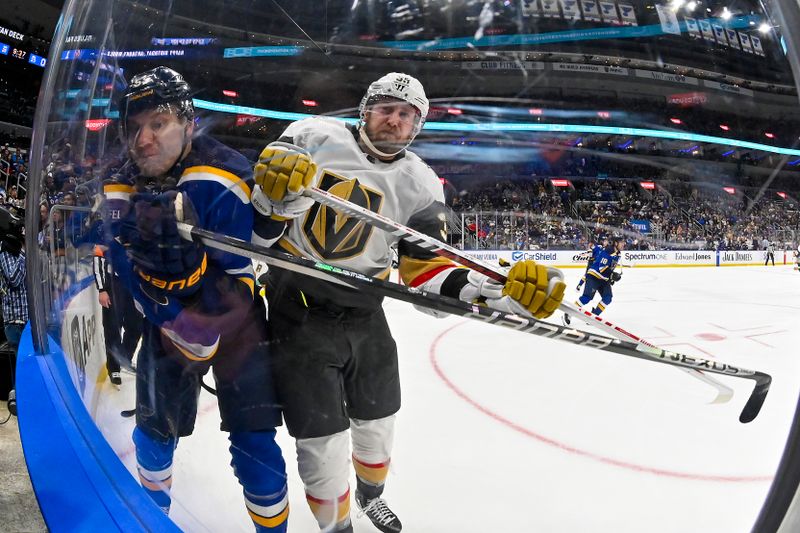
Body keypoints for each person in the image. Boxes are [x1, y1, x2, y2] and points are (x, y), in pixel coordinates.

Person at [250, 72, 566, 532]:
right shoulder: (311, 135)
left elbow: (425, 273)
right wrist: (273, 200)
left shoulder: (421, 182)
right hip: (297, 308)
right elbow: (259, 234)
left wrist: (499, 294)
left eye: (406, 115)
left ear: (417, 126)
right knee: (322, 446)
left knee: (377, 429)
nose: (394, 120)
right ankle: (337, 528)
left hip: (365, 313)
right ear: (365, 109)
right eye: (386, 108)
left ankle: (370, 496)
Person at [103, 66, 288, 531]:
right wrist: (173, 312)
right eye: (134, 126)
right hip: (166, 321)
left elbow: (256, 256)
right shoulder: (118, 185)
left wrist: (283, 209)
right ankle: (152, 522)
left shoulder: (225, 174)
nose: (143, 138)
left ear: (188, 123)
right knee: (152, 433)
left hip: (237, 318)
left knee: (255, 447)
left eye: (158, 122)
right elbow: (123, 264)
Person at [92, 243, 142, 386]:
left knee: (136, 326)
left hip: (134, 284)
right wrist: (102, 289)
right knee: (113, 327)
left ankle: (124, 359)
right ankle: (114, 368)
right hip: (114, 284)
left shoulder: (136, 230)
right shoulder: (108, 230)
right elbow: (98, 257)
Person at [0, 207, 27, 416]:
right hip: (15, 318)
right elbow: (15, 279)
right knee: (21, 362)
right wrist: (25, 254)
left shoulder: (15, 249)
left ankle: (23, 395)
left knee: (26, 361)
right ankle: (18, 396)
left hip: (25, 316)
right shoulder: (5, 250)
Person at [575, 236, 624, 315]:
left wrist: (610, 278)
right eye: (621, 243)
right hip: (594, 276)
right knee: (587, 298)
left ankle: (594, 315)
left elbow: (609, 268)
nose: (623, 244)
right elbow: (602, 268)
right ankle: (569, 314)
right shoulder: (608, 251)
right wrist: (612, 275)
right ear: (616, 243)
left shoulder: (618, 254)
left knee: (607, 298)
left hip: (603, 279)